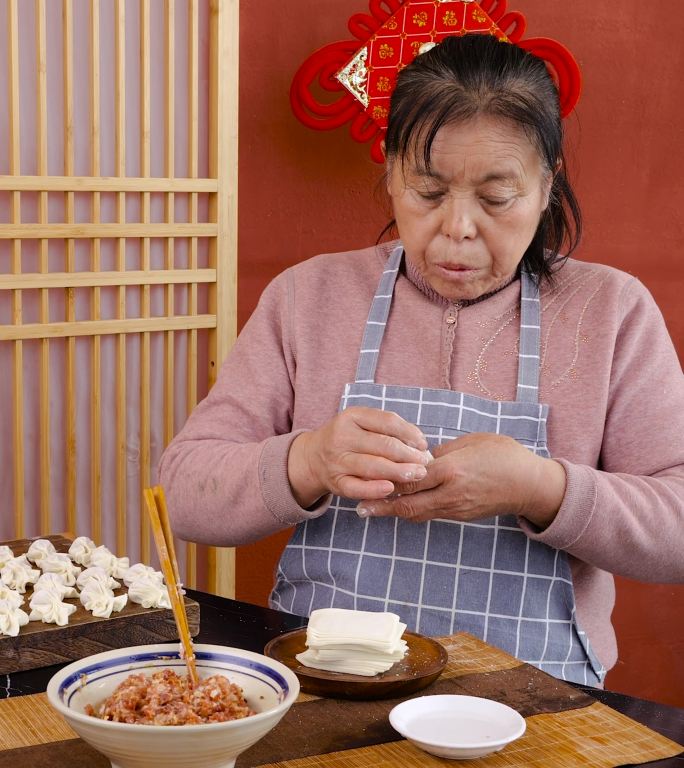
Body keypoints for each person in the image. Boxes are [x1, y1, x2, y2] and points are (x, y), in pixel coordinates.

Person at [159, 34, 684, 687]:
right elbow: (181, 493)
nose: (458, 228)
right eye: (429, 191)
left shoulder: (611, 312)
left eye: (496, 198)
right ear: (390, 170)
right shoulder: (309, 296)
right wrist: (310, 460)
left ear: (547, 183)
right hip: (325, 686)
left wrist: (540, 488)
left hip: (532, 696)